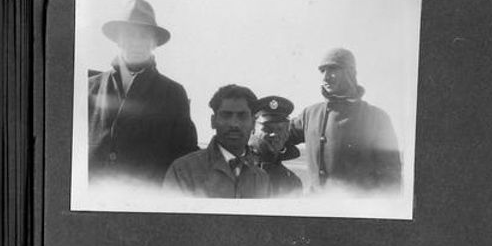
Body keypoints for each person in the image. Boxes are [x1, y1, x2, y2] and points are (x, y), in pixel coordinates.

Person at [87, 0, 198, 186]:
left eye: (144, 36)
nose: (137, 43)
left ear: (154, 43)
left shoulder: (173, 93)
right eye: (130, 35)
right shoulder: (90, 87)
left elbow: (184, 157)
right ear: (118, 39)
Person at [289, 47, 402, 195]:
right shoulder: (310, 114)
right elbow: (277, 137)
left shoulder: (376, 118)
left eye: (333, 70)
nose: (325, 78)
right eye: (323, 71)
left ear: (350, 73)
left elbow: (391, 181)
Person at [163, 85, 271, 198]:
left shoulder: (262, 179)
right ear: (213, 121)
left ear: (253, 123)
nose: (234, 124)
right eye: (226, 115)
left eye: (242, 116)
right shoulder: (183, 172)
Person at [249, 96, 303, 197]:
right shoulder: (235, 170)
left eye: (281, 129)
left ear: (287, 134)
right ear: (252, 128)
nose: (274, 134)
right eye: (267, 128)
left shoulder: (292, 181)